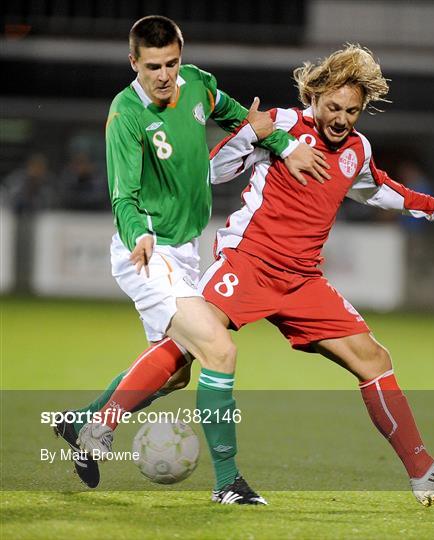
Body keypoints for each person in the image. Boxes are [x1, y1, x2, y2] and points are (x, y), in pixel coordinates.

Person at [63, 43, 434, 506]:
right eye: (333, 107)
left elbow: (379, 189)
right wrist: (249, 135)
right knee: (183, 353)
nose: (342, 119)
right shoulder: (282, 125)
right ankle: (99, 422)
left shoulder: (356, 150)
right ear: (315, 96)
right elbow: (210, 170)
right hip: (248, 263)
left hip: (303, 281)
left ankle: (422, 472)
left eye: (353, 111)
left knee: (374, 360)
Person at [53, 15, 329, 501]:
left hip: (185, 253)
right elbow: (123, 196)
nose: (164, 76)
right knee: (218, 349)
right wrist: (138, 233)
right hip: (147, 251)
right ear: (133, 62)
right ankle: (227, 483)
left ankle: (80, 424)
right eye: (153, 66)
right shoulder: (126, 114)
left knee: (178, 370)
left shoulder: (198, 84)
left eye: (172, 63)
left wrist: (282, 143)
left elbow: (241, 115)